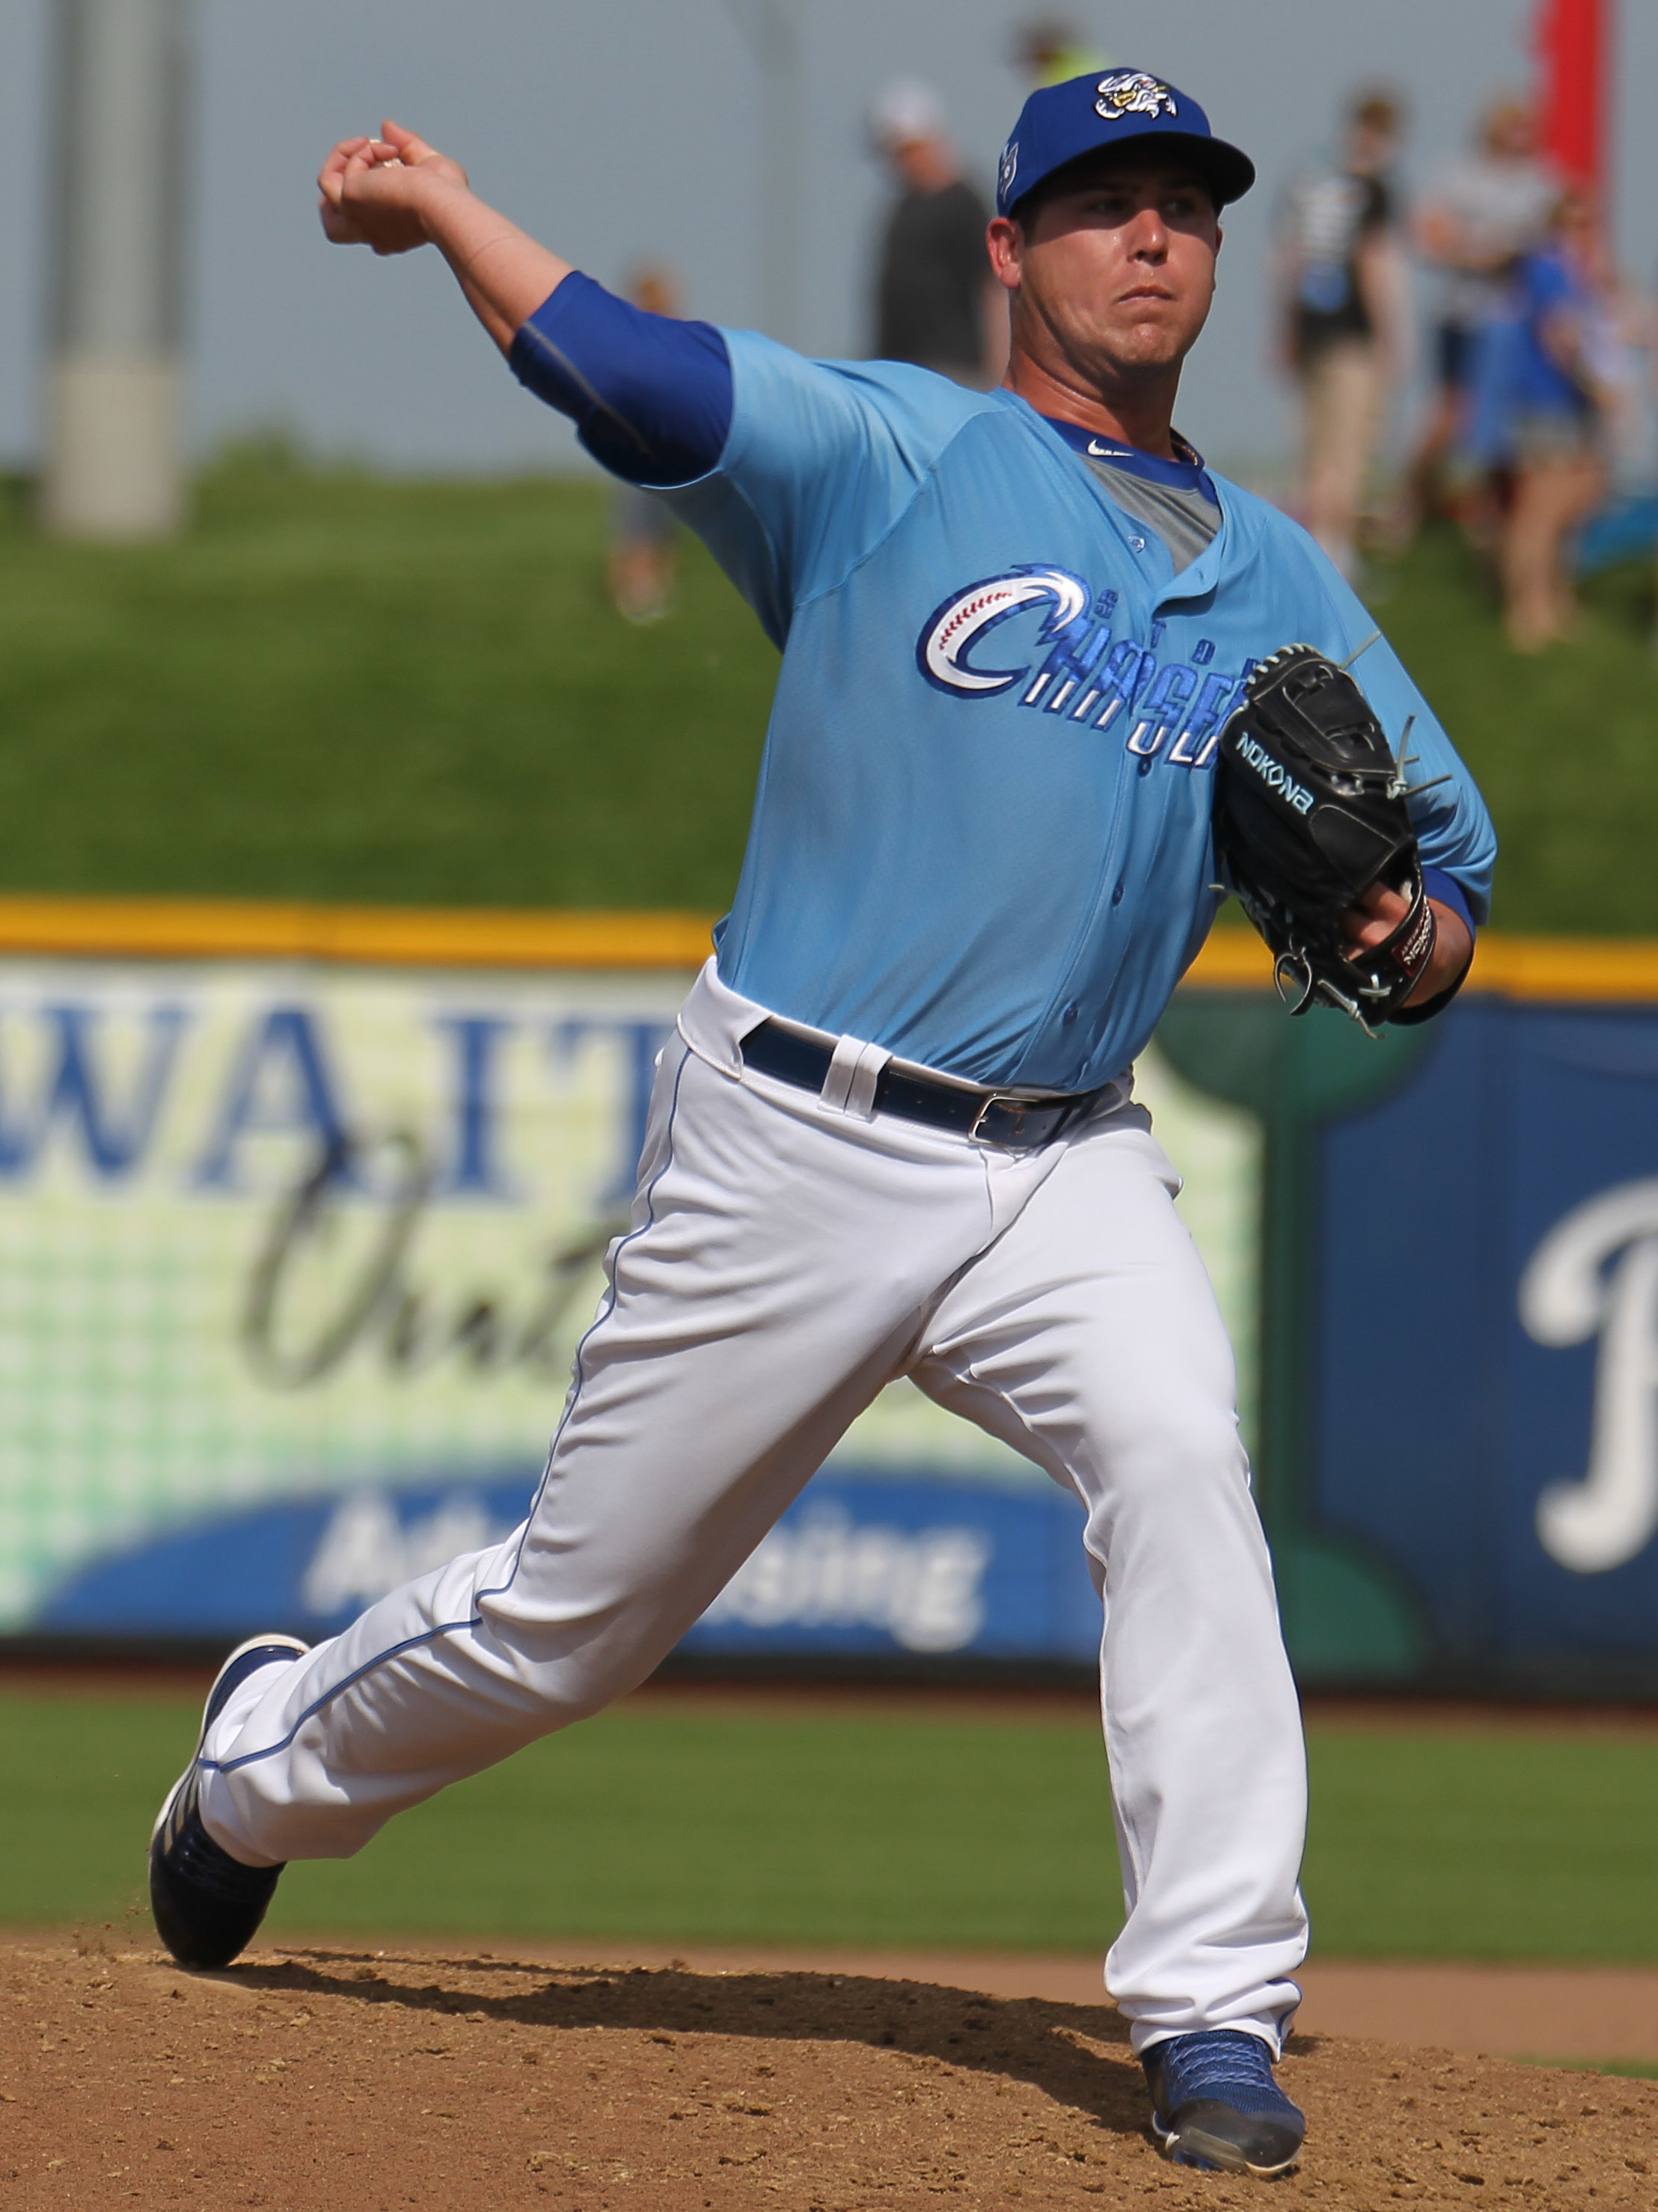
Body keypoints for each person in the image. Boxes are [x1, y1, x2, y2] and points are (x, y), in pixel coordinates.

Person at [149, 68, 1494, 2180]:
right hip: (800, 1131)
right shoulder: (891, 453)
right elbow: (621, 366)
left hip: (1065, 1157)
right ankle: (252, 1772)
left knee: (1178, 1459)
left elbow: (1444, 910)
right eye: (1105, 203)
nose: (1153, 239)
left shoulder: (1290, 586)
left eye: (1188, 209)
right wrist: (448, 212)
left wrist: (1400, 923)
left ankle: (1215, 2004)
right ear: (1010, 247)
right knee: (577, 1625)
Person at [1410, 94, 1556, 530]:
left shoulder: (1541, 184)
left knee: (1508, 424)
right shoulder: (1460, 177)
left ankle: (1491, 512)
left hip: (1517, 321)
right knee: (1453, 412)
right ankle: (1418, 500)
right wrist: (1480, 255)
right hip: (1463, 312)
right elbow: (1428, 236)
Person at [1278, 91, 1408, 580]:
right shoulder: (1372, 187)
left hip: (1310, 328)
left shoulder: (1310, 182)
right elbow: (1373, 262)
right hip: (1353, 332)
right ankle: (1337, 553)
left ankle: (1314, 547)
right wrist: (1389, 335)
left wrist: (1285, 329)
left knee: (1314, 449)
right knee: (1348, 449)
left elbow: (1289, 260)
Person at [1493, 192, 1611, 652]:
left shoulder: (1571, 273)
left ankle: (1551, 599)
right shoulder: (1550, 268)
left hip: (1562, 403)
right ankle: (1526, 609)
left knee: (1570, 504)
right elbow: (1560, 337)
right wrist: (1600, 387)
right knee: (1538, 513)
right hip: (1546, 402)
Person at [869, 81, 1005, 386]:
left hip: (952, 371)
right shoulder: (902, 210)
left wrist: (999, 373)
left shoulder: (964, 204)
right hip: (900, 370)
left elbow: (991, 290)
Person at [606, 266, 682, 622]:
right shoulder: (633, 340)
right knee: (635, 523)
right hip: (635, 445)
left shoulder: (674, 340)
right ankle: (632, 593)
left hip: (667, 446)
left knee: (663, 525)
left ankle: (658, 593)